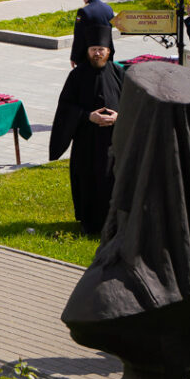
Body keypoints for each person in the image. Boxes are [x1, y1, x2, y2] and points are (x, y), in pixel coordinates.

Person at [49, 31, 124, 236]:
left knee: (111, 180)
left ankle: (113, 224)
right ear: (87, 51)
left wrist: (119, 117)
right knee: (88, 180)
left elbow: (132, 105)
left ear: (109, 51)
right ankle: (88, 224)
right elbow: (65, 107)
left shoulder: (119, 73)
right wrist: (87, 116)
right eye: (93, 50)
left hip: (113, 142)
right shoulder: (77, 75)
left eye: (101, 49)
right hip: (86, 142)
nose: (97, 53)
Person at [69, 0, 115, 67]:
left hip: (89, 56)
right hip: (105, 53)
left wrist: (74, 57)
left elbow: (79, 35)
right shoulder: (109, 9)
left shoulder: (83, 11)